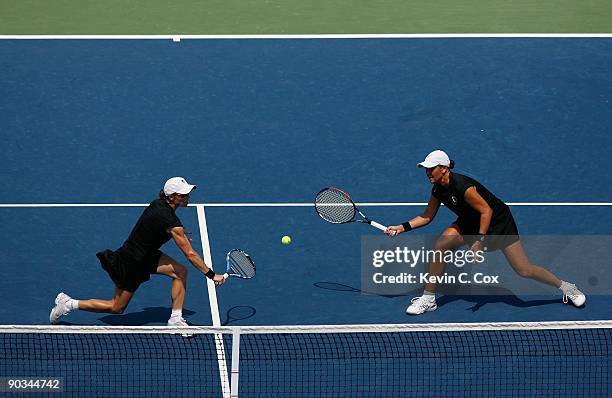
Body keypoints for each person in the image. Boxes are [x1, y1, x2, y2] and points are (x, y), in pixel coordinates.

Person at [385, 150, 586, 315]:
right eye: (426, 169)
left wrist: (478, 241)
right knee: (441, 245)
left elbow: (486, 211)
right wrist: (401, 227)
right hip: (470, 221)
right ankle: (428, 299)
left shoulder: (464, 187)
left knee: (524, 270)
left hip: (498, 223)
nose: (427, 173)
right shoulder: (438, 189)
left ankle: (567, 288)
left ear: (444, 169)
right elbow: (427, 216)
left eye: (431, 169)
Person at [49, 177, 226, 326]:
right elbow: (190, 254)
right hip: (132, 262)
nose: (188, 196)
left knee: (180, 272)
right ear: (172, 197)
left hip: (147, 255)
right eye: (184, 194)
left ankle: (175, 319)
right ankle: (69, 304)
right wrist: (212, 275)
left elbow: (154, 225)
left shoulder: (159, 204)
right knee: (116, 307)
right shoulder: (169, 219)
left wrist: (175, 231)